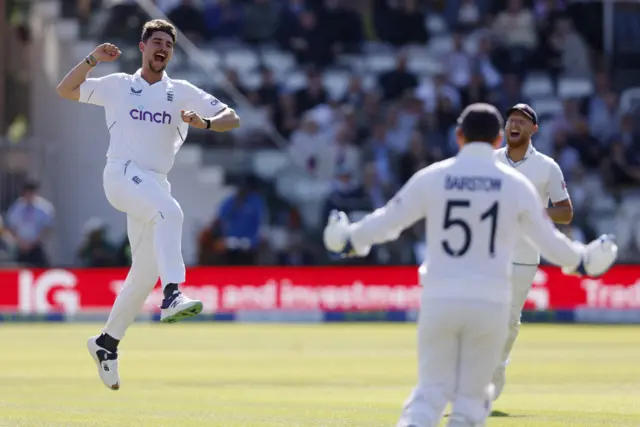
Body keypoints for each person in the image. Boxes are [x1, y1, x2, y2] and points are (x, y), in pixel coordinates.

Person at [322, 103, 618, 427]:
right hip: (490, 301)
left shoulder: (435, 176)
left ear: (459, 136)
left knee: (429, 394)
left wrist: (350, 238)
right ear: (496, 140)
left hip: (440, 295)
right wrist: (584, 261)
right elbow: (549, 240)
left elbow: (389, 220)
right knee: (469, 407)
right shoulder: (515, 186)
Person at [55, 19, 240, 391]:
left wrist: (202, 122)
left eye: (168, 45)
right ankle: (173, 293)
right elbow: (65, 89)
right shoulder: (119, 85)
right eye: (155, 41)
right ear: (142, 47)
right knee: (171, 211)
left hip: (153, 182)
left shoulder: (181, 91)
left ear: (171, 52)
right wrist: (93, 58)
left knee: (142, 274)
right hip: (122, 173)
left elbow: (232, 118)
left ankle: (106, 344)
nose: (162, 48)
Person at [491, 103, 573, 401]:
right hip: (488, 252)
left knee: (509, 320)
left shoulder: (547, 166)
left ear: (533, 129)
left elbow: (565, 213)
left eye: (522, 122)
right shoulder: (490, 160)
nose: (514, 125)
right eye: (511, 120)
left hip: (524, 255)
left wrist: (533, 212)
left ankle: (497, 368)